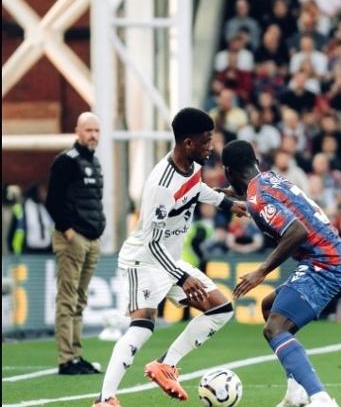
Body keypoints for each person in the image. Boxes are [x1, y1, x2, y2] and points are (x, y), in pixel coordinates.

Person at [92, 108, 247, 407]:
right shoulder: (161, 186)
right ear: (188, 143)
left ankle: (166, 365)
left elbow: (195, 189)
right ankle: (105, 399)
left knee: (221, 309)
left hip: (170, 261)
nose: (210, 147)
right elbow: (151, 242)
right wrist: (183, 277)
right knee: (142, 327)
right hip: (143, 260)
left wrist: (229, 204)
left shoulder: (191, 166)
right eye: (206, 141)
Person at [221, 140, 341, 407]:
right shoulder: (271, 179)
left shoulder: (257, 198)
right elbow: (250, 196)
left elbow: (296, 231)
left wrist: (261, 271)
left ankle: (321, 399)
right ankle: (295, 393)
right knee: (269, 306)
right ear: (255, 162)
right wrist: (219, 194)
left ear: (229, 171)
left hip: (326, 265)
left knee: (275, 328)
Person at [46, 112, 105, 375]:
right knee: (68, 299)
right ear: (77, 131)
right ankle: (65, 358)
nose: (93, 135)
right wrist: (69, 231)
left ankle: (76, 355)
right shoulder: (66, 161)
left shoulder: (94, 163)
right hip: (73, 239)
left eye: (96, 130)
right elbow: (53, 201)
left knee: (79, 300)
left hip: (91, 239)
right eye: (88, 130)